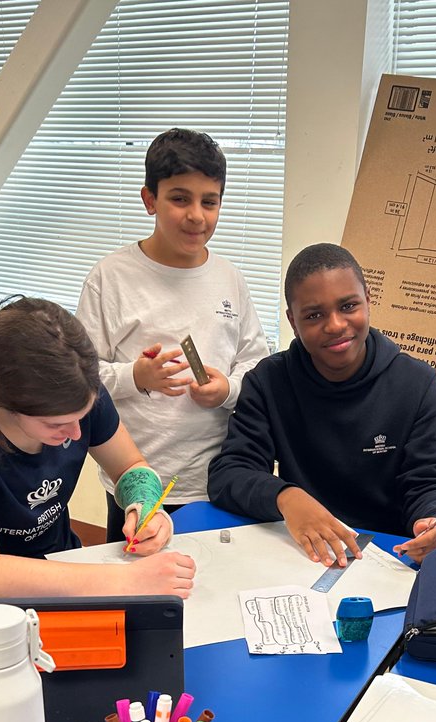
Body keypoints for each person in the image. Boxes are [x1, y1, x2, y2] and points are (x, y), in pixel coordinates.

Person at [0, 297, 195, 612]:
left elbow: (130, 466)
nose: (76, 434)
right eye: (56, 424)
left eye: (82, 417)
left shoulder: (78, 391)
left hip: (62, 566)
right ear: (3, 405)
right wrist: (127, 580)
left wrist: (146, 504)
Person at [206, 243, 436, 567]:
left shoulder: (417, 383)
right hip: (303, 550)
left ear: (368, 300)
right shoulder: (268, 381)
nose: (336, 325)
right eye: (314, 315)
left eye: (348, 306)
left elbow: (429, 480)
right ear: (293, 321)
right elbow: (229, 473)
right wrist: (286, 497)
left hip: (388, 555)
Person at [76, 128, 268, 540]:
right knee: (137, 576)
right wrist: (135, 376)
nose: (196, 215)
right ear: (150, 200)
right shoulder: (110, 278)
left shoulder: (230, 278)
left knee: (208, 575)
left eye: (209, 202)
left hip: (213, 480)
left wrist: (228, 389)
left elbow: (256, 362)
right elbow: (79, 378)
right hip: (135, 479)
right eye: (180, 199)